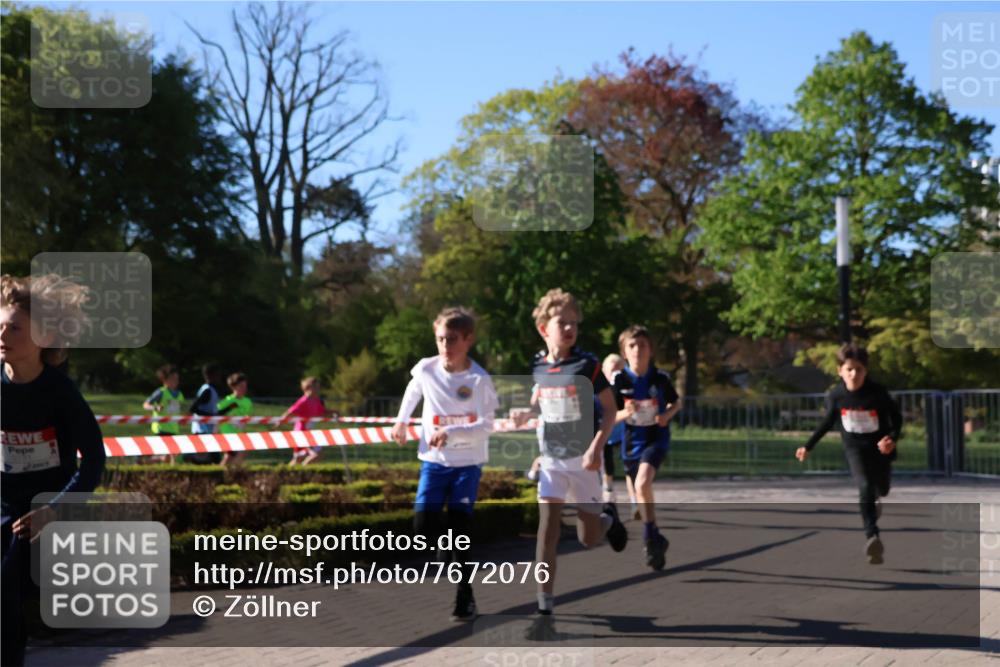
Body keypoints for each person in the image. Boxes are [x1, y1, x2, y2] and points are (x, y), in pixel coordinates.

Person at [1, 274, 107, 667]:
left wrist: (55, 508)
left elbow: (94, 460)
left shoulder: (61, 392)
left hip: (47, 515)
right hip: (5, 510)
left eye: (14, 327)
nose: (3, 334)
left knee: (8, 591)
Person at [517, 288, 627, 640]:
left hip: (584, 463)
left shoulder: (588, 365)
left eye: (573, 324)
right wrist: (525, 412)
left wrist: (597, 446)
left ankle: (607, 520)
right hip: (551, 461)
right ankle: (544, 608)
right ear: (543, 328)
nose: (569, 329)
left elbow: (610, 409)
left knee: (587, 538)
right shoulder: (538, 365)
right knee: (547, 530)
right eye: (561, 323)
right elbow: (541, 403)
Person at [391, 307, 499, 622]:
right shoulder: (426, 369)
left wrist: (450, 432)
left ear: (468, 340)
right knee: (422, 527)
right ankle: (444, 545)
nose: (444, 346)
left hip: (467, 463)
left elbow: (486, 425)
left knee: (461, 529)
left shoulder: (479, 379)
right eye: (440, 339)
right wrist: (401, 421)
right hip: (434, 463)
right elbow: (413, 392)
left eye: (451, 339)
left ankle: (465, 596)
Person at [796, 343, 901, 564]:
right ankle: (872, 536)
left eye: (859, 370)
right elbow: (827, 422)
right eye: (849, 369)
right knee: (864, 487)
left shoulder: (877, 393)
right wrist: (808, 446)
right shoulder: (836, 396)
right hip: (855, 449)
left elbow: (897, 419)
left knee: (882, 488)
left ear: (866, 371)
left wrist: (891, 438)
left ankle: (876, 497)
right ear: (840, 371)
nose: (854, 374)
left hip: (880, 448)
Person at [611, 325, 682, 571]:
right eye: (632, 346)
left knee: (642, 484)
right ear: (624, 351)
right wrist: (623, 413)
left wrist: (668, 414)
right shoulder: (619, 381)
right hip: (631, 444)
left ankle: (649, 538)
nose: (637, 350)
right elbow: (610, 415)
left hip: (655, 439)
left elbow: (676, 401)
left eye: (642, 345)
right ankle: (655, 536)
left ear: (650, 350)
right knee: (641, 491)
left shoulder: (660, 379)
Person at [600, 354, 629, 509]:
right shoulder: (600, 388)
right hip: (607, 430)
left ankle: (634, 497)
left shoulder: (625, 387)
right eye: (612, 371)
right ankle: (608, 487)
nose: (615, 374)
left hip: (622, 429)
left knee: (629, 461)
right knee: (607, 460)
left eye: (619, 371)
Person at [283, 377, 330, 466]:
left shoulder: (316, 401)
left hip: (307, 433)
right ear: (308, 388)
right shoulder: (303, 401)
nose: (318, 390)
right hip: (301, 433)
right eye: (316, 387)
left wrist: (334, 412)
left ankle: (287, 472)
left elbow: (322, 412)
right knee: (317, 454)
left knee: (298, 459)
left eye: (319, 387)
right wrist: (280, 421)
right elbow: (290, 412)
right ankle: (302, 470)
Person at [142, 364, 184, 464]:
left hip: (174, 428)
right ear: (165, 380)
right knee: (171, 453)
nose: (175, 381)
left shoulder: (180, 394)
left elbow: (178, 410)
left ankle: (146, 461)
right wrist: (155, 407)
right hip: (161, 428)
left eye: (177, 379)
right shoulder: (161, 392)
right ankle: (172, 473)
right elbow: (145, 404)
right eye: (172, 379)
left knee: (169, 456)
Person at [186, 363, 224, 464]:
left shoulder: (211, 390)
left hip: (208, 431)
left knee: (213, 460)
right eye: (218, 375)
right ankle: (187, 455)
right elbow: (193, 408)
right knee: (214, 459)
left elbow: (211, 411)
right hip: (201, 430)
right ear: (211, 376)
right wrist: (211, 417)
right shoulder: (207, 390)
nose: (220, 377)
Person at [218, 372, 252, 467]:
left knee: (241, 452)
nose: (244, 388)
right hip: (228, 434)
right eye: (241, 386)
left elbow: (247, 416)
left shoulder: (247, 402)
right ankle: (221, 473)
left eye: (245, 386)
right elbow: (217, 415)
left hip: (240, 434)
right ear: (233, 387)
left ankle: (231, 472)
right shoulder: (227, 401)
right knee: (229, 456)